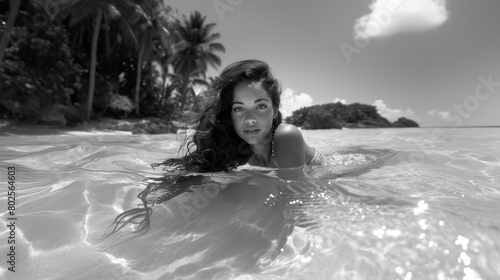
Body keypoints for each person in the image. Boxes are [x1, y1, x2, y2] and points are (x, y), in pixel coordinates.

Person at [152, 59, 325, 176]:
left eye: (261, 106)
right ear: (230, 115)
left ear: (274, 110)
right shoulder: (237, 150)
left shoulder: (287, 136)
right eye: (239, 108)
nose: (250, 119)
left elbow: (294, 198)